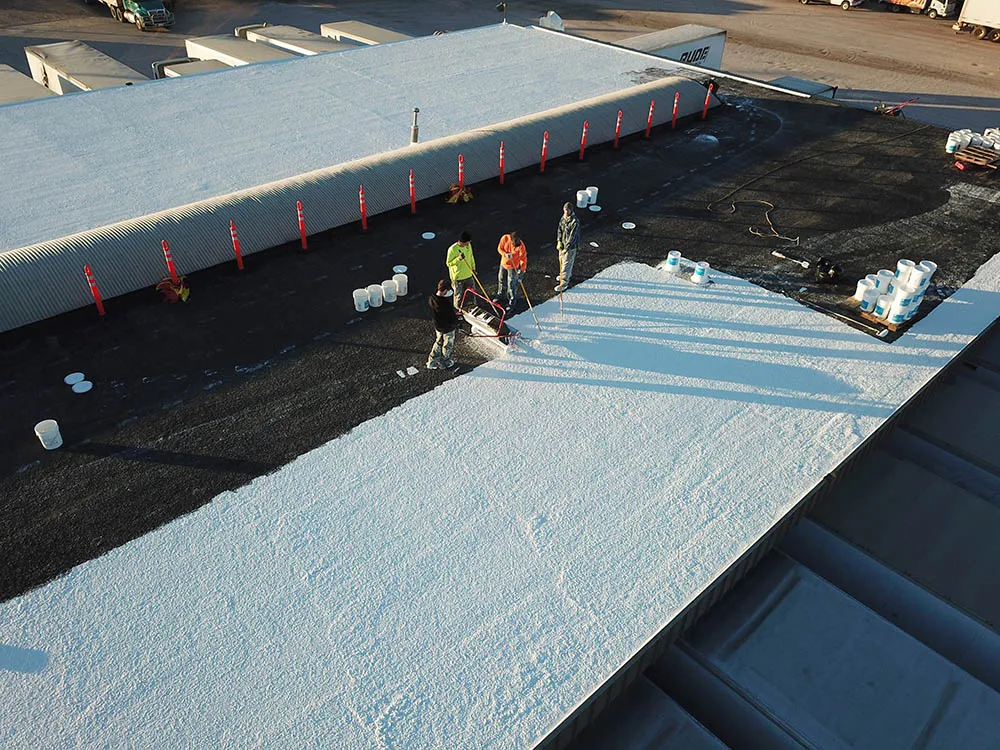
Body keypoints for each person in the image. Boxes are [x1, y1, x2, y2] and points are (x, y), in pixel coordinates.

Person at [427, 279, 459, 370]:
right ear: (445, 290)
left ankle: (432, 361)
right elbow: (450, 317)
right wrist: (456, 323)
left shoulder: (432, 299)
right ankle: (445, 361)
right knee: (448, 344)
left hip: (438, 326)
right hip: (447, 328)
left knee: (438, 342)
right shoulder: (444, 303)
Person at [495, 231, 527, 310]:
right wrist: (505, 254)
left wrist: (521, 271)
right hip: (503, 264)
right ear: (511, 239)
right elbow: (499, 248)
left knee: (511, 284)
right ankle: (500, 294)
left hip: (513, 267)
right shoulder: (505, 238)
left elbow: (523, 259)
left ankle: (512, 300)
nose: (515, 243)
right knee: (501, 279)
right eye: (514, 242)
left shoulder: (521, 246)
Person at [446, 231, 476, 309]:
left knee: (471, 292)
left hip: (468, 274)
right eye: (468, 241)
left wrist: (473, 268)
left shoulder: (468, 246)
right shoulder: (452, 249)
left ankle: (472, 305)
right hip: (458, 277)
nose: (469, 243)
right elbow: (448, 263)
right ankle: (458, 308)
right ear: (463, 242)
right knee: (459, 295)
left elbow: (471, 257)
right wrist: (458, 259)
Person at [555, 202, 580, 292]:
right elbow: (560, 229)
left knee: (567, 264)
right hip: (563, 244)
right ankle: (563, 275)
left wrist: (567, 247)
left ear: (571, 210)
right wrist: (559, 241)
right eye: (564, 210)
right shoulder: (563, 218)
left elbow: (572, 236)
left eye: (567, 210)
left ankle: (564, 282)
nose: (565, 212)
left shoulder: (574, 221)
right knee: (561, 260)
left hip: (571, 246)